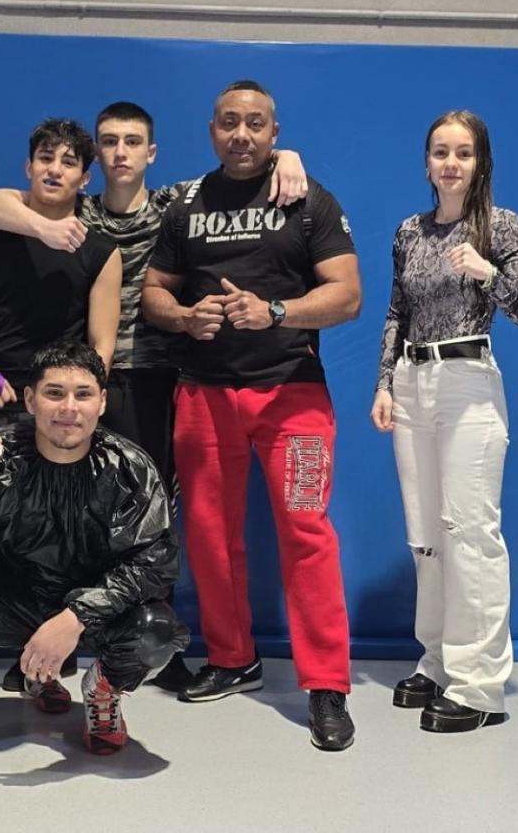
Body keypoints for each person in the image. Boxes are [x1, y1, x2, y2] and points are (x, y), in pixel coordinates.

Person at [0, 101, 308, 693]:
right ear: (94, 156)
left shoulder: (178, 204)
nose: (121, 152)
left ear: (151, 153)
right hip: (85, 383)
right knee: (72, 514)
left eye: (133, 142)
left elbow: (242, 160)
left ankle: (154, 639)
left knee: (153, 517)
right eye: (109, 142)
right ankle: (59, 641)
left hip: (157, 379)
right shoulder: (78, 213)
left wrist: (287, 155)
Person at [141, 80, 361, 751]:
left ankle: (327, 685)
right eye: (230, 123)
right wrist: (183, 316)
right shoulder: (185, 205)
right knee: (208, 536)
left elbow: (347, 296)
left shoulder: (307, 197)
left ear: (274, 132)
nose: (242, 134)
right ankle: (234, 658)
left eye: (256, 124)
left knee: (306, 535)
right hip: (204, 395)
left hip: (292, 394)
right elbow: (153, 291)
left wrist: (276, 312)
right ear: (212, 131)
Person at [0, 340, 188, 774]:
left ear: (102, 402)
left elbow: (155, 562)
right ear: (30, 400)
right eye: (54, 393)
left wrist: (75, 617)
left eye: (83, 394)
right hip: (9, 604)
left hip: (91, 617)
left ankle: (102, 693)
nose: (69, 408)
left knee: (157, 630)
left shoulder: (129, 467)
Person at [369, 110, 518, 733]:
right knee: (426, 535)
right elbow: (396, 311)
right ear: (426, 163)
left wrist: (487, 272)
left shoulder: (500, 226)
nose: (450, 163)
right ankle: (438, 659)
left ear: (480, 162)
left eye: (463, 153)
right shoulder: (410, 232)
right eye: (440, 151)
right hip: (413, 382)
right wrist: (385, 383)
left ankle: (480, 684)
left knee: (470, 531)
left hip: (468, 380)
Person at [0, 117, 122, 430]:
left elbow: (101, 344)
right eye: (45, 158)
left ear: (85, 178)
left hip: (57, 404)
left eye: (68, 162)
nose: (54, 169)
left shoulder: (101, 251)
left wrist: (81, 397)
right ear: (28, 167)